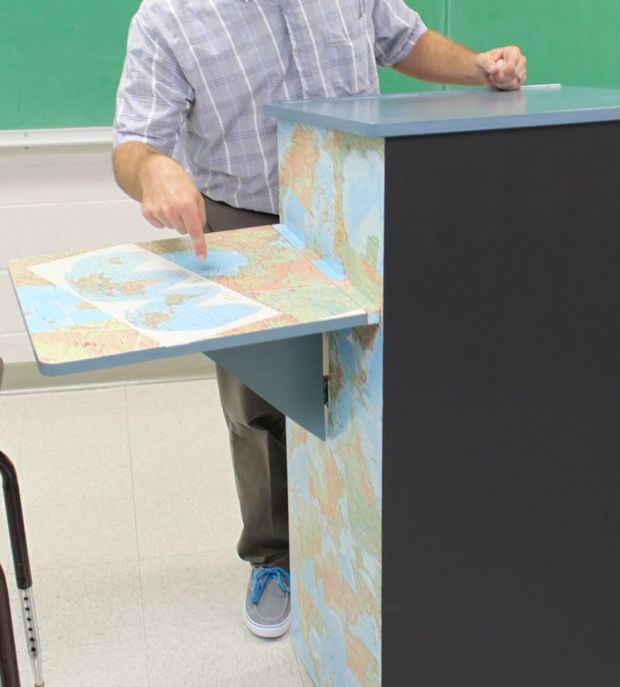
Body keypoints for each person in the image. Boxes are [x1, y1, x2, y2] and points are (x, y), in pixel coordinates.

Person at [112, 0, 527, 639]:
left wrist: (476, 68)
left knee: (383, 383)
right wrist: (154, 169)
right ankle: (275, 557)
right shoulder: (168, 17)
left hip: (362, 205)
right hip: (249, 221)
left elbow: (403, 40)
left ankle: (384, 537)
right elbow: (133, 145)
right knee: (259, 407)